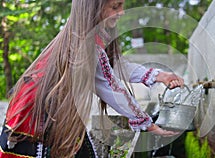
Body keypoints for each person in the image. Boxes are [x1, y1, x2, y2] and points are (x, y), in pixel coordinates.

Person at [0, 0, 184, 157]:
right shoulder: (85, 45)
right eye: (115, 6)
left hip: (47, 110)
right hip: (38, 115)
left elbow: (115, 66)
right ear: (94, 8)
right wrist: (147, 124)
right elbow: (111, 87)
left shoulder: (88, 37)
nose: (121, 12)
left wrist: (159, 75)